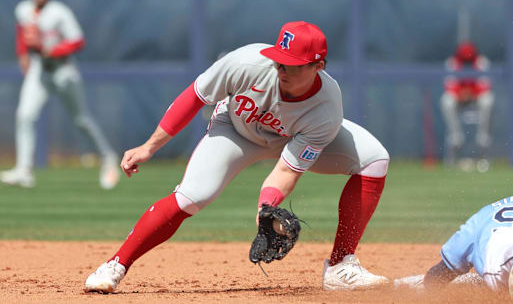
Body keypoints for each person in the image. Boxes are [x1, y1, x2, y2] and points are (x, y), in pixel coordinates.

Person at [83, 21, 390, 293]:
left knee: (374, 158)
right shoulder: (247, 63)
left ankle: (339, 266)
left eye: (292, 64)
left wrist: (265, 208)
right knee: (192, 196)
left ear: (317, 66)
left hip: (290, 140)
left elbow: (287, 170)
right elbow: (195, 96)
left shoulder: (326, 110)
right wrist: (150, 146)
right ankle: (116, 264)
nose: (281, 69)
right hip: (236, 131)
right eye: (279, 61)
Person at [1, 0, 119, 189]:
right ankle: (24, 170)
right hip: (40, 70)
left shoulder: (59, 13)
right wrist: (23, 55)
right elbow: (22, 33)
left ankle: (108, 157)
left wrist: (52, 51)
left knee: (81, 119)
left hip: (63, 70)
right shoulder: (23, 9)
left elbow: (77, 41)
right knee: (24, 115)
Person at [440, 41, 493, 171]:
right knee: (447, 100)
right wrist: (460, 93)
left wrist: (472, 93)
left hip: (476, 97)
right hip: (459, 98)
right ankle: (456, 137)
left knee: (487, 100)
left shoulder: (482, 62)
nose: (466, 61)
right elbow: (449, 85)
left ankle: (483, 138)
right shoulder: (452, 62)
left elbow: (485, 85)